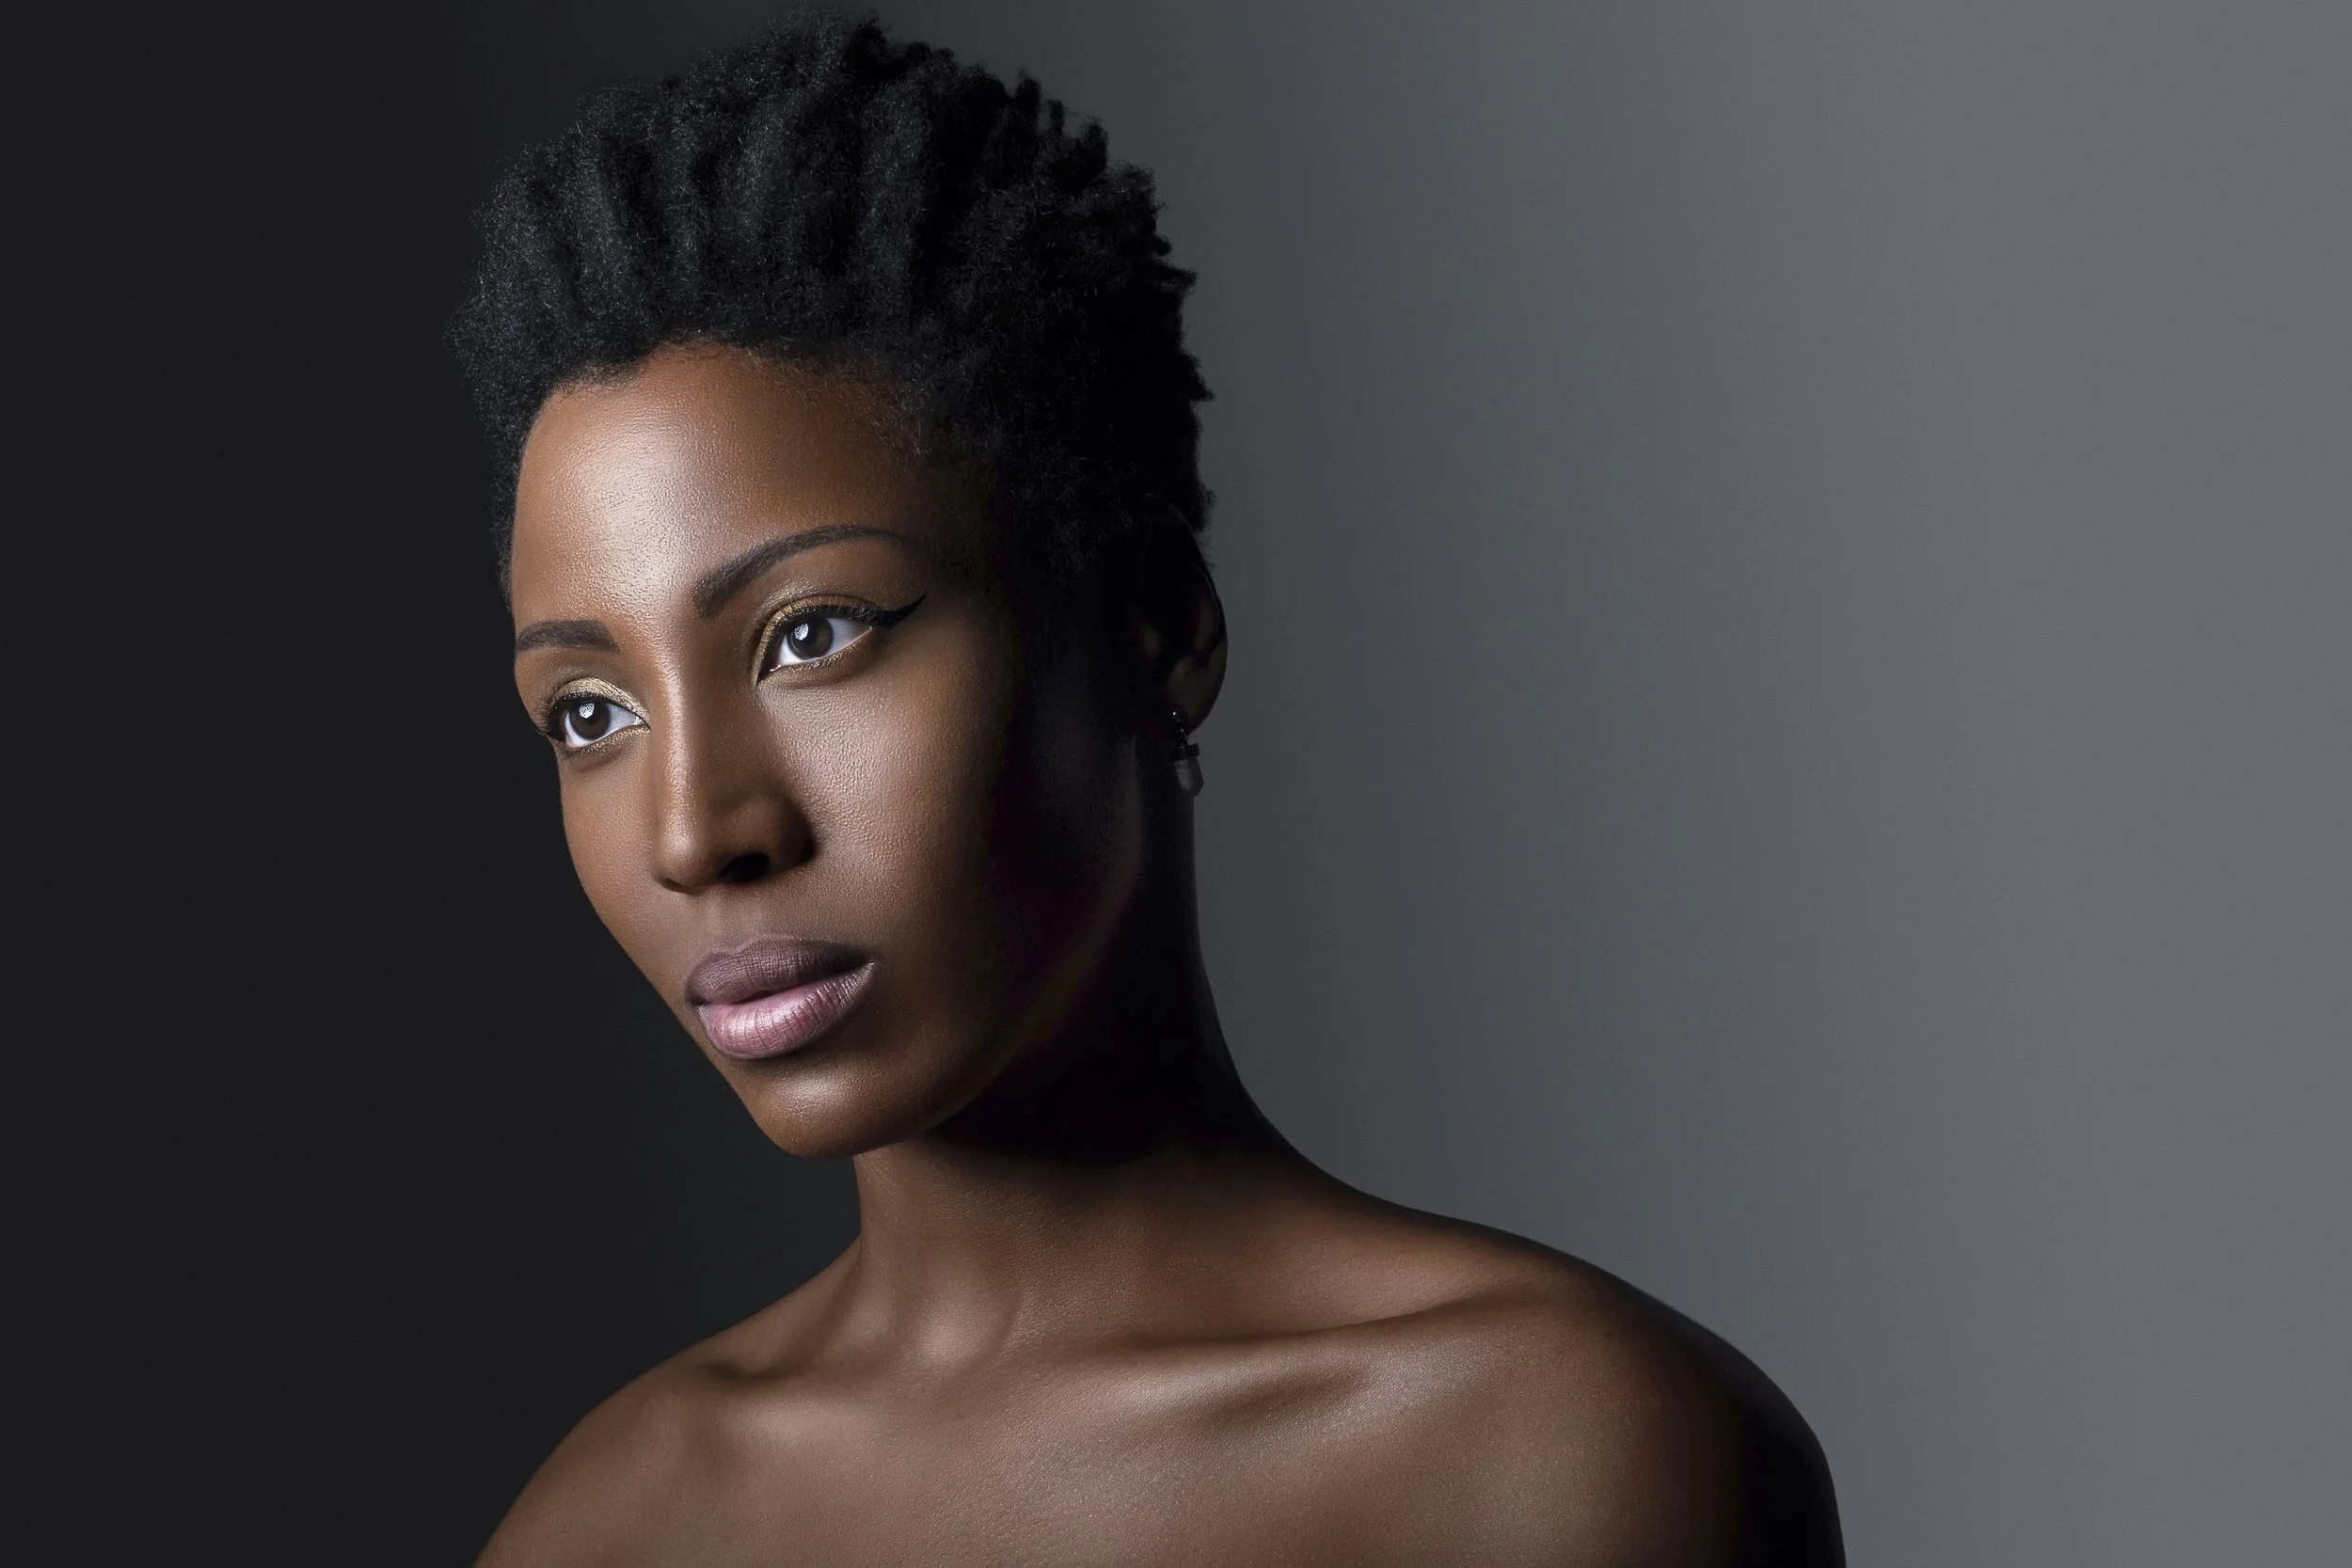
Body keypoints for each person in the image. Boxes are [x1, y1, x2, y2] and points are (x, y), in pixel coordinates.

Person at [456, 14, 1841, 1564]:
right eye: (589, 712)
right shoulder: (605, 1528)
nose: (700, 828)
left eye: (814, 633)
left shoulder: (1559, 1453)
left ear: (1155, 631)